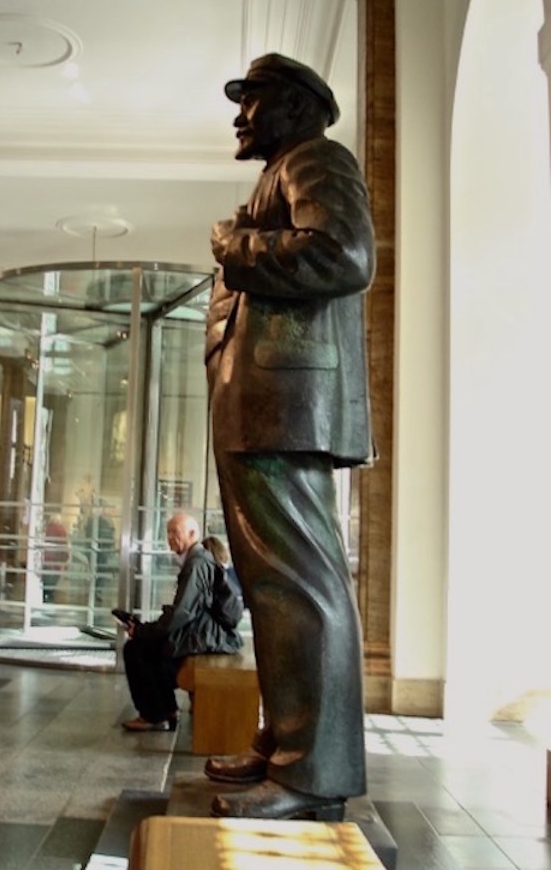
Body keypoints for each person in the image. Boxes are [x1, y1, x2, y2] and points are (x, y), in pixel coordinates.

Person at [204, 53, 375, 821]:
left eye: (255, 99)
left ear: (300, 107)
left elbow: (346, 253)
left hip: (289, 401)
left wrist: (236, 248)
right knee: (275, 586)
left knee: (299, 586)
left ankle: (312, 775)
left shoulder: (317, 158)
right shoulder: (280, 171)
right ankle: (288, 746)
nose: (241, 115)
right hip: (266, 401)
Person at [121, 511, 242, 732]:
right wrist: (146, 630)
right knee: (145, 648)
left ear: (192, 533)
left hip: (209, 637)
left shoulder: (197, 563)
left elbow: (181, 613)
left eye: (175, 532)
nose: (169, 537)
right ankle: (165, 710)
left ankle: (154, 714)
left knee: (137, 650)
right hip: (206, 633)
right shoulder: (197, 560)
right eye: (167, 532)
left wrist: (143, 631)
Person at [41, 514, 69, 603]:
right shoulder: (61, 529)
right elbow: (64, 543)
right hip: (57, 556)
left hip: (48, 555)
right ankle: (50, 590)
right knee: (55, 574)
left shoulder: (47, 528)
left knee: (47, 572)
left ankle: (46, 590)